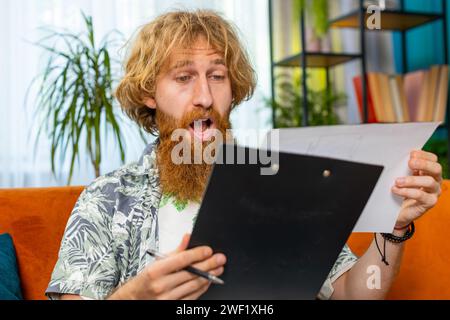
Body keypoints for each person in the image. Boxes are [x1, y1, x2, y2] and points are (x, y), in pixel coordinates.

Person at [46, 10, 443, 300]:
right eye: (183, 77)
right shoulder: (107, 197)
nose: (204, 97)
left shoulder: (280, 181)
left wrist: (394, 227)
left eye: (217, 76)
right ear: (150, 93)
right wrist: (136, 296)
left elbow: (353, 295)